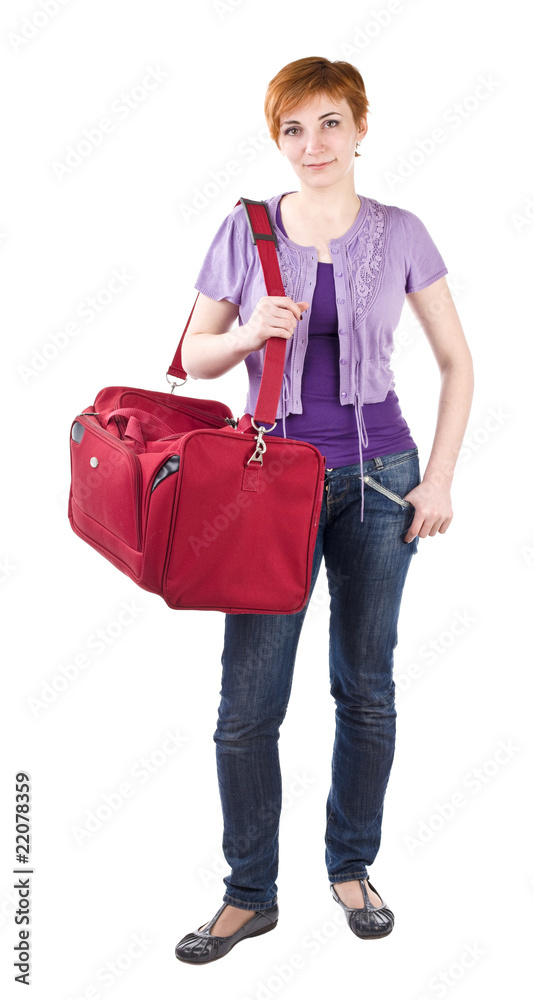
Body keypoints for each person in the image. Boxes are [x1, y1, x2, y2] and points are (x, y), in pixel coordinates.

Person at [174, 56, 474, 964]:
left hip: (383, 482)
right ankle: (247, 894)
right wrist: (246, 333)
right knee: (247, 703)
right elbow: (191, 357)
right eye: (293, 129)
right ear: (278, 139)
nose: (313, 144)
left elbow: (458, 363)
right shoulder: (246, 231)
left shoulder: (401, 231)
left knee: (365, 688)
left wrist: (439, 479)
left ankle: (351, 869)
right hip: (270, 484)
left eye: (330, 123)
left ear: (360, 128)